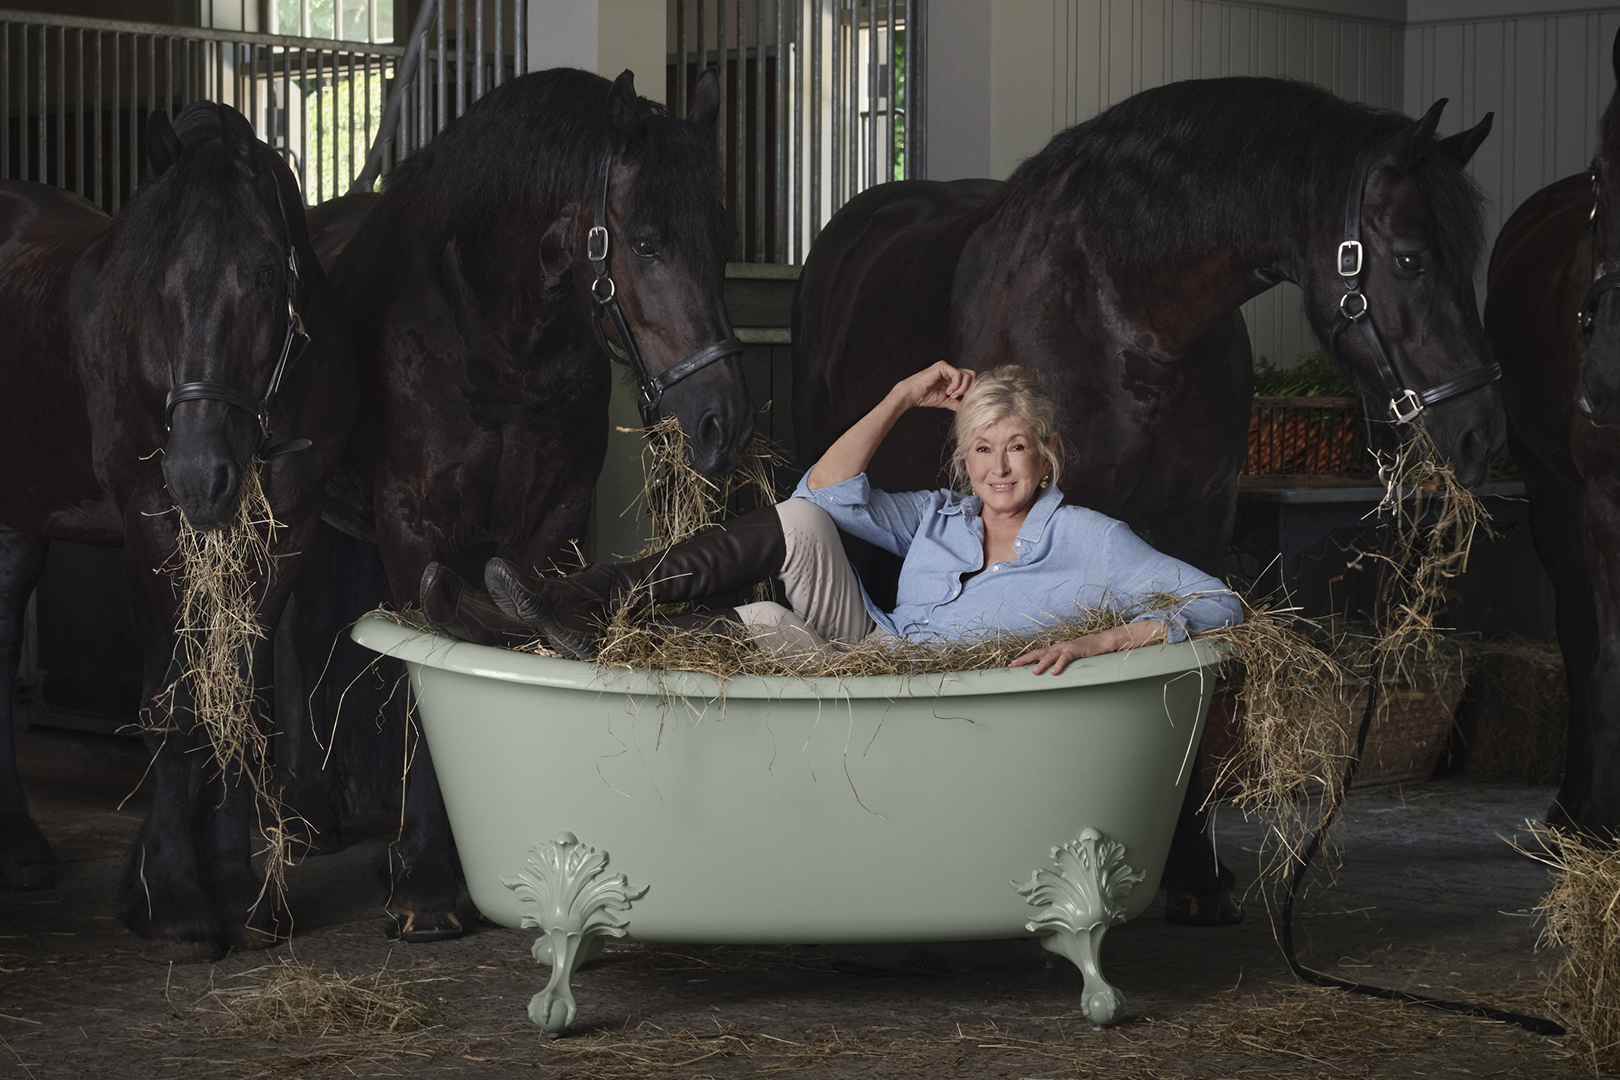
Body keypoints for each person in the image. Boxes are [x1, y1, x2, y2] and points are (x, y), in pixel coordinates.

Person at [421, 362, 1246, 923]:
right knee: (804, 519)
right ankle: (571, 604)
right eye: (981, 450)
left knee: (772, 624)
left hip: (926, 703)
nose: (999, 468)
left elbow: (1221, 602)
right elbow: (820, 488)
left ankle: (585, 635)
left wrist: (1118, 636)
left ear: (1047, 454)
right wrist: (900, 395)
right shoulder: (940, 517)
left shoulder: (1090, 539)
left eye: (1017, 447)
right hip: (874, 651)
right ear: (963, 461)